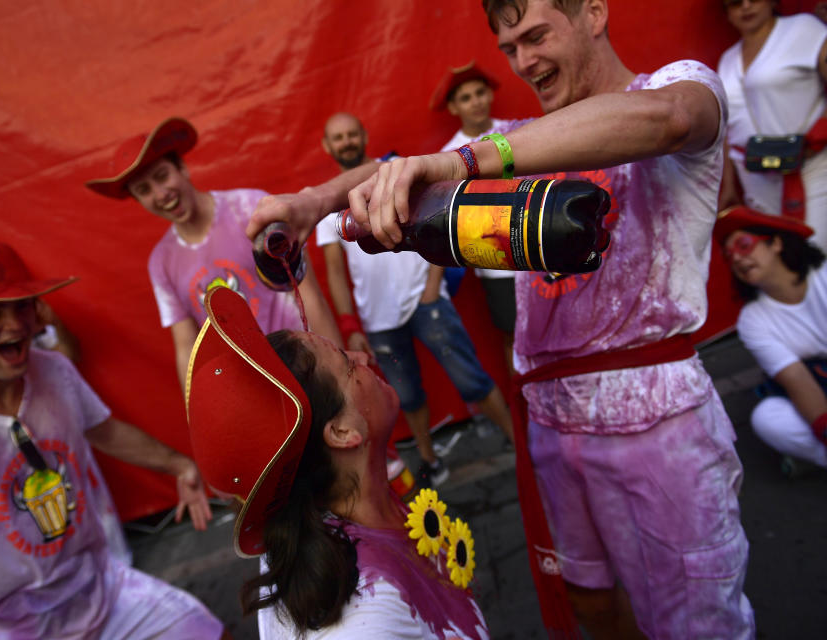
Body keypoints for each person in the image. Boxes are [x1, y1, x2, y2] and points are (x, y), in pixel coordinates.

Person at [249, 1, 755, 638]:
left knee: (694, 623)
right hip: (549, 420)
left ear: (595, 12)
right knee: (588, 605)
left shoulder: (675, 86)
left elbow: (672, 120)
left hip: (655, 421)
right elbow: (395, 169)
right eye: (510, 46)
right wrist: (312, 203)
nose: (525, 62)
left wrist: (464, 162)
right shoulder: (518, 136)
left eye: (537, 35)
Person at [0, 243, 226, 639]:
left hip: (101, 593)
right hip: (3, 629)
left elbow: (104, 430)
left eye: (23, 305)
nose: (18, 323)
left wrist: (178, 464)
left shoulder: (53, 371)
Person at [185, 286, 489, 639]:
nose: (361, 357)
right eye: (347, 365)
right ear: (343, 432)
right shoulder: (366, 624)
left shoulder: (310, 523)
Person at [318, 112, 515, 487]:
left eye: (350, 134)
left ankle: (517, 443)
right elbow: (335, 273)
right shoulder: (327, 201)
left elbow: (438, 220)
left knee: (471, 378)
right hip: (379, 321)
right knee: (406, 396)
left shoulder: (395, 172)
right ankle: (429, 459)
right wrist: (349, 326)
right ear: (328, 146)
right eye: (337, 137)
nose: (345, 142)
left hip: (426, 302)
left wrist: (431, 286)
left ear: (363, 134)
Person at [85, 117, 345, 391]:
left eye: (162, 176)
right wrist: (196, 409)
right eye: (144, 190)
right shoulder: (161, 262)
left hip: (305, 364)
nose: (160, 194)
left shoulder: (251, 207)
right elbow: (186, 345)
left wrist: (339, 371)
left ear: (182, 167)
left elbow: (307, 292)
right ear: (138, 201)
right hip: (251, 386)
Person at [715, 205, 827, 470]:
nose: (738, 259)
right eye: (730, 256)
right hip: (819, 388)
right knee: (768, 418)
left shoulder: (823, 275)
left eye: (744, 245)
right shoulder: (752, 320)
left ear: (775, 243)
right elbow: (795, 378)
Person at [433, 61, 521, 381]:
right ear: (454, 107)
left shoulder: (517, 130)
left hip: (538, 250)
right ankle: (525, 405)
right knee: (512, 336)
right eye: (466, 97)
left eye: (480, 93)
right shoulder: (448, 155)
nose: (476, 102)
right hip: (495, 261)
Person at [717, 0, 827, 248]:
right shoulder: (728, 59)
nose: (745, 6)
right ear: (726, 12)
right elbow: (728, 128)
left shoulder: (803, 29)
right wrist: (729, 186)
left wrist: (822, 129)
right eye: (734, 3)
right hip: (755, 177)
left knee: (816, 255)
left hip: (810, 166)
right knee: (776, 263)